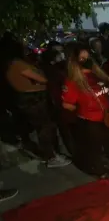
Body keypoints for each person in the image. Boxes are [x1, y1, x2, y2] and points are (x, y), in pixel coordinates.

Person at [61, 44, 109, 179]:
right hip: (91, 120)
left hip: (107, 117)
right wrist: (84, 109)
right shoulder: (72, 81)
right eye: (82, 58)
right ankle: (100, 172)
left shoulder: (98, 74)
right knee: (95, 148)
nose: (86, 60)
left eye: (88, 57)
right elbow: (66, 104)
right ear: (74, 61)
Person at [5, 40, 70, 168]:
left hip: (31, 98)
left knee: (44, 127)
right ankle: (51, 157)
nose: (27, 49)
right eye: (23, 48)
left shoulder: (15, 63)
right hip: (32, 99)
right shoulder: (18, 64)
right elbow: (42, 78)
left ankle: (51, 154)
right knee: (44, 128)